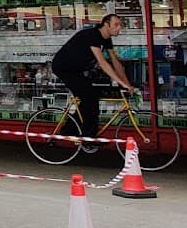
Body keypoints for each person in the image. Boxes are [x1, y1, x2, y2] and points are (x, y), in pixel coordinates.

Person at [50, 13, 136, 154]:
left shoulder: (106, 39)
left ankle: (68, 131)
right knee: (90, 98)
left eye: (120, 25)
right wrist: (121, 83)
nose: (119, 28)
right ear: (106, 24)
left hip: (77, 69)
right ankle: (88, 138)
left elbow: (116, 63)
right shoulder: (93, 35)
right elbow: (103, 63)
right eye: (116, 25)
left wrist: (127, 84)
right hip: (64, 68)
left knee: (88, 99)